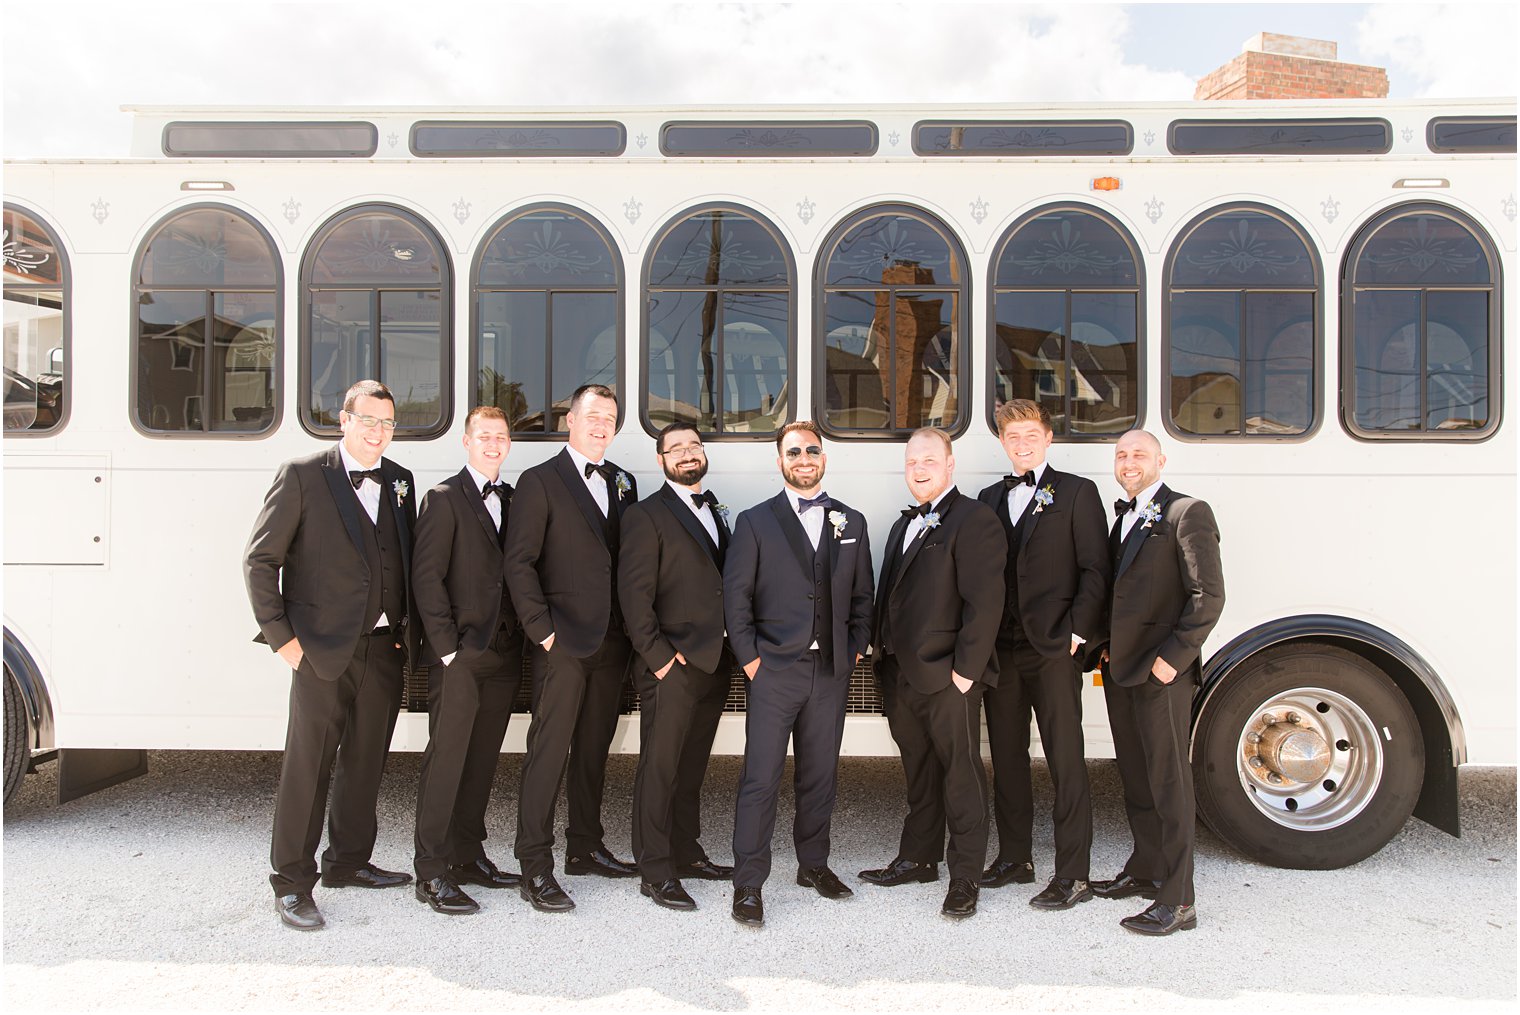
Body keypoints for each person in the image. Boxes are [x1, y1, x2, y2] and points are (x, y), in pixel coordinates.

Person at [244, 379, 418, 931]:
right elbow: (259, 560)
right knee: (308, 768)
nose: (378, 431)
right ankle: (291, 883)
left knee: (366, 763)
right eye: (368, 420)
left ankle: (348, 861)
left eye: (388, 423)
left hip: (384, 650)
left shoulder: (401, 482)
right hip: (317, 653)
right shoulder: (302, 475)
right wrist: (283, 641)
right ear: (343, 419)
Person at [723, 421, 874, 928]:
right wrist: (750, 660)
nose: (804, 458)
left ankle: (813, 865)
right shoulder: (754, 521)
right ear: (781, 461)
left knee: (820, 776)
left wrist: (852, 651)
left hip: (830, 671)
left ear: (824, 458)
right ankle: (748, 883)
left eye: (812, 450)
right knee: (760, 779)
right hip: (774, 671)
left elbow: (862, 599)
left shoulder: (851, 520)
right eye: (794, 452)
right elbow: (735, 598)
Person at [859, 428, 1004, 918]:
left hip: (949, 678)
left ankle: (965, 877)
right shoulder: (904, 525)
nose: (918, 469)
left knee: (961, 776)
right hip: (901, 675)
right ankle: (918, 858)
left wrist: (965, 674)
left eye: (928, 460)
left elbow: (985, 605)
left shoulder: (975, 519)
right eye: (911, 462)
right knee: (918, 772)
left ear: (949, 465)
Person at [505, 384, 639, 912]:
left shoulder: (622, 483)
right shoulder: (539, 481)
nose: (601, 426)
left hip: (611, 642)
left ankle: (585, 845)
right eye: (592, 416)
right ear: (570, 421)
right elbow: (518, 563)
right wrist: (542, 631)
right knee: (548, 751)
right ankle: (534, 865)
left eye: (609, 418)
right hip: (560, 642)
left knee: (592, 750)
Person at [975, 400, 1110, 910]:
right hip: (1001, 650)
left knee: (1065, 758)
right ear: (1003, 444)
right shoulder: (988, 498)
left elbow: (1096, 569)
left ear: (1048, 438)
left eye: (1031, 434)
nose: (1022, 444)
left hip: (1054, 648)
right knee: (1007, 757)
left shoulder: (1077, 492)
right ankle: (1015, 858)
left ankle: (1073, 873)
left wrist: (1078, 633)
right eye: (1013, 437)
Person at [1094, 429, 1224, 936]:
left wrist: (1173, 660)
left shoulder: (1187, 512)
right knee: (1136, 776)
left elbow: (1207, 595)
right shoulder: (1123, 517)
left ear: (1160, 460)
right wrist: (1104, 645)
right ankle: (1145, 869)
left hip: (1162, 675)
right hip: (1122, 670)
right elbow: (1119, 592)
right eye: (1122, 455)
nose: (1129, 462)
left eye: (1139, 454)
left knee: (1169, 782)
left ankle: (1179, 900)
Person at [409, 406, 524, 915]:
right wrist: (447, 648)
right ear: (466, 441)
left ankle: (468, 856)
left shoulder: (516, 500)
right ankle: (431, 871)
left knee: (482, 760)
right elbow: (426, 578)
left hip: (504, 653)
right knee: (447, 759)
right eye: (485, 436)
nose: (494, 444)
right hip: (460, 655)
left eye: (501, 436)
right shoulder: (443, 499)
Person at [618, 422, 736, 911]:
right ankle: (655, 869)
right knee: (660, 769)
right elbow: (633, 596)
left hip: (714, 663)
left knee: (691, 769)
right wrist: (661, 660)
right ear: (662, 459)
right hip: (672, 665)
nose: (687, 454)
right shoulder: (646, 515)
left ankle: (687, 852)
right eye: (676, 449)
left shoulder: (717, 510)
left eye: (693, 446)